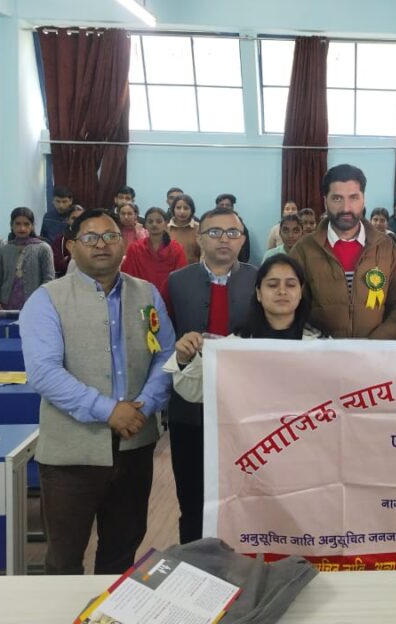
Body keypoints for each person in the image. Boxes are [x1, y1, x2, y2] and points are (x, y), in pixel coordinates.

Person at [20, 208, 175, 574]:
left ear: (124, 243)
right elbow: (44, 372)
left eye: (110, 236)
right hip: (71, 454)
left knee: (121, 553)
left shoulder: (147, 293)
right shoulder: (47, 299)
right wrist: (109, 410)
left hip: (135, 446)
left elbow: (165, 356)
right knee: (64, 559)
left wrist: (144, 406)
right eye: (90, 238)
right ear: (71, 246)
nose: (101, 244)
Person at [165, 206, 257, 544]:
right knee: (192, 500)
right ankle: (193, 562)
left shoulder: (259, 280)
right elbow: (163, 339)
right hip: (189, 408)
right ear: (199, 238)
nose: (224, 239)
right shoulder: (177, 282)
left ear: (243, 240)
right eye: (214, 232)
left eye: (232, 233)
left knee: (243, 500)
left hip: (243, 410)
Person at [165, 255, 325, 403]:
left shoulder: (322, 346)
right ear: (258, 293)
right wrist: (184, 359)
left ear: (301, 292)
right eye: (272, 285)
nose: (282, 291)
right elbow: (196, 392)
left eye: (290, 285)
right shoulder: (234, 346)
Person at [289, 164, 396, 339]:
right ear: (325, 201)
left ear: (363, 200)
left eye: (354, 197)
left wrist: (378, 341)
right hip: (322, 352)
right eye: (337, 198)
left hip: (375, 353)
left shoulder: (386, 247)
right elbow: (291, 307)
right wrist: (317, 342)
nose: (346, 208)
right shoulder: (303, 250)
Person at [0, 207, 55, 313]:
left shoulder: (43, 248)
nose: (22, 228)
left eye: (26, 224)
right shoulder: (3, 249)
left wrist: (40, 300)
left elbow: (49, 280)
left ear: (32, 226)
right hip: (6, 306)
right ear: (11, 225)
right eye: (17, 224)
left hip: (35, 304)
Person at [121, 207, 188, 299]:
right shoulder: (135, 248)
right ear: (145, 225)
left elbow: (182, 279)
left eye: (159, 221)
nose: (154, 224)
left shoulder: (176, 249)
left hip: (169, 299)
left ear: (166, 224)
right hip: (141, 299)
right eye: (150, 221)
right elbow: (127, 277)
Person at [215, 194, 251, 263]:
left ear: (232, 207)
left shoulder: (239, 224)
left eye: (227, 205)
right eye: (221, 205)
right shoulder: (209, 223)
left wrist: (241, 265)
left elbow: (245, 249)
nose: (224, 207)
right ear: (216, 207)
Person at [51, 205, 84, 279]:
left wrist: (67, 259)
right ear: (67, 220)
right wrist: (69, 259)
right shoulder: (60, 240)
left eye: (81, 218)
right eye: (74, 218)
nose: (77, 221)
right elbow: (56, 265)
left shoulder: (92, 238)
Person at [168, 194, 200, 265]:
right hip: (171, 269)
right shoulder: (166, 229)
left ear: (192, 210)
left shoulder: (199, 228)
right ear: (173, 209)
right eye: (178, 208)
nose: (182, 211)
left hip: (193, 269)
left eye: (186, 208)